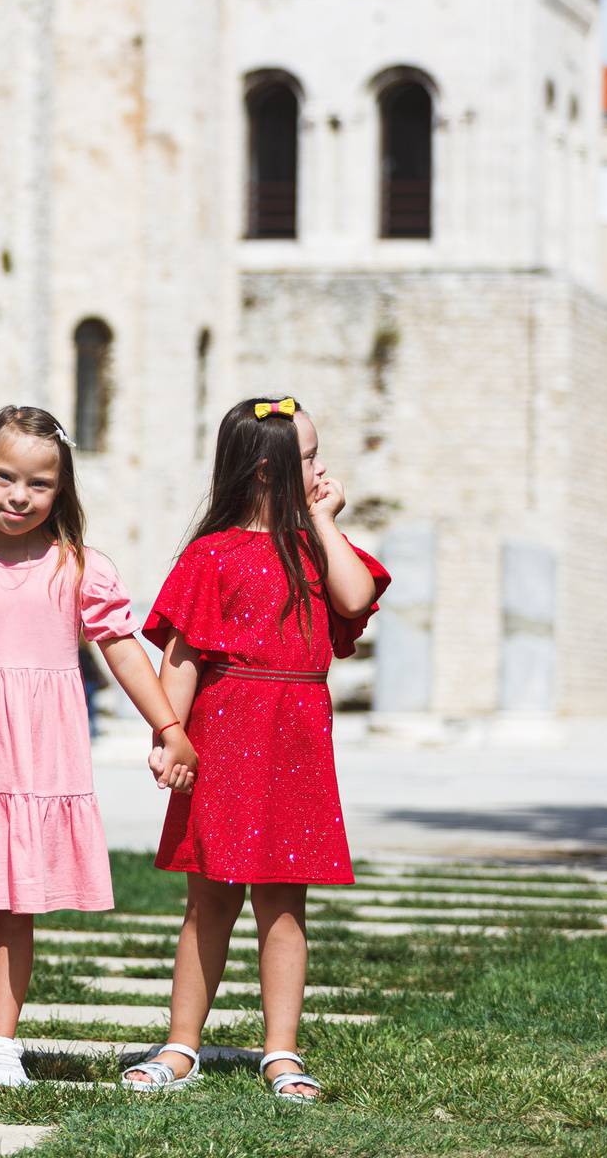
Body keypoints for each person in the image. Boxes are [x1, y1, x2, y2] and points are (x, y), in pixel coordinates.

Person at [0, 405, 195, 1088]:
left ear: (62, 491)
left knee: (14, 904)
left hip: (38, 753)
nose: (17, 496)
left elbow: (125, 656)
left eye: (38, 484)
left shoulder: (81, 568)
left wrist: (169, 727)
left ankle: (0, 1042)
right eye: (3, 478)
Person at [120, 396, 388, 1102]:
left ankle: (281, 1051)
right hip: (225, 733)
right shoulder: (211, 556)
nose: (323, 468)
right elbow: (180, 657)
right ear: (270, 472)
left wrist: (326, 521)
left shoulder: (319, 551)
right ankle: (182, 1045)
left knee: (284, 903)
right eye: (309, 458)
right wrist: (170, 735)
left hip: (296, 742)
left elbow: (356, 598)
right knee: (208, 902)